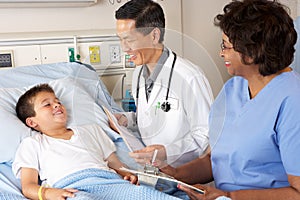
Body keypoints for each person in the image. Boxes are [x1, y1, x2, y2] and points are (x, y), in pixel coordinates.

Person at [159, 0, 300, 199]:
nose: (221, 53)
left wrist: (229, 196)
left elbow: (298, 193)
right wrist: (176, 175)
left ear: (252, 52)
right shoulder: (232, 89)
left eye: (226, 46)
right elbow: (214, 159)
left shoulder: (292, 102)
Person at [12, 83, 180, 200]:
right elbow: (28, 187)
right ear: (32, 122)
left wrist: (128, 175)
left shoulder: (91, 130)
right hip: (73, 190)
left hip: (112, 182)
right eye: (47, 105)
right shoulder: (33, 144)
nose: (56, 105)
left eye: (58, 102)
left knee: (149, 195)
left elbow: (116, 165)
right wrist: (50, 194)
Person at [114, 0, 214, 168]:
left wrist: (166, 151)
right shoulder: (139, 72)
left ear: (154, 36)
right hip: (154, 171)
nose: (124, 48)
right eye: (120, 40)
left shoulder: (190, 76)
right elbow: (149, 116)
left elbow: (206, 135)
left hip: (186, 174)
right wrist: (126, 119)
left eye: (129, 40)